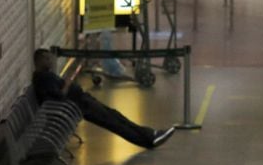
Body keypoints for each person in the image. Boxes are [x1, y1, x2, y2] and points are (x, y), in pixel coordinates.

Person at [31, 48, 176, 148]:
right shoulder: (44, 78)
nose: (51, 61)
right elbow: (59, 97)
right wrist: (68, 83)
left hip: (82, 101)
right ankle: (147, 140)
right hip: (79, 105)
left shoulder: (45, 75)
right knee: (113, 122)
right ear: (40, 61)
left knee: (115, 116)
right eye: (47, 59)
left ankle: (150, 134)